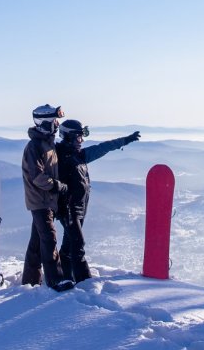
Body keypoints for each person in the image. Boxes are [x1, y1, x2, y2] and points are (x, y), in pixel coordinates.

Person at [56, 119, 141, 283]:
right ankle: (85, 283)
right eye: (78, 137)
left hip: (79, 208)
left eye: (82, 137)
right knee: (78, 245)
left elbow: (103, 148)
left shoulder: (78, 155)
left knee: (68, 247)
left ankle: (66, 277)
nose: (81, 141)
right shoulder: (60, 157)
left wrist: (125, 140)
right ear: (67, 137)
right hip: (69, 209)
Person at [21, 104, 74, 291]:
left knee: (37, 242)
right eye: (54, 121)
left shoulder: (47, 144)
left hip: (46, 200)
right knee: (49, 238)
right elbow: (38, 177)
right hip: (40, 200)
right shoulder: (35, 146)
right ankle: (55, 280)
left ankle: (30, 280)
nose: (57, 125)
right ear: (44, 123)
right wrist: (57, 186)